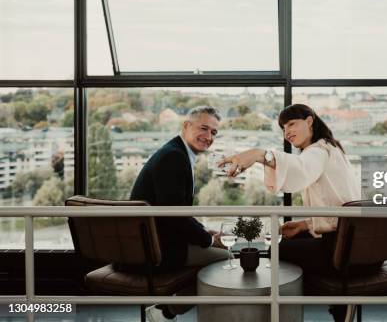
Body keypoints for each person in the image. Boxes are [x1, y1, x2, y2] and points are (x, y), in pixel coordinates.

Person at [220, 104, 360, 321]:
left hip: (340, 247)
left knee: (278, 251)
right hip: (350, 241)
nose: (287, 132)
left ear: (310, 121)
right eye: (284, 128)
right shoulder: (332, 148)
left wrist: (259, 155)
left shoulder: (319, 151)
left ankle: (281, 312)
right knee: (286, 241)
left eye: (292, 124)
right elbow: (335, 204)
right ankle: (339, 305)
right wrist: (304, 225)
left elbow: (300, 170)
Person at [130, 106, 228, 321]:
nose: (209, 136)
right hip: (154, 250)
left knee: (216, 253)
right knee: (226, 259)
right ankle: (165, 311)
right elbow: (174, 216)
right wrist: (209, 240)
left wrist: (203, 231)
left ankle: (168, 308)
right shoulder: (173, 157)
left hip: (158, 240)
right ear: (186, 126)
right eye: (204, 128)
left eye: (213, 132)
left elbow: (176, 211)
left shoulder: (177, 152)